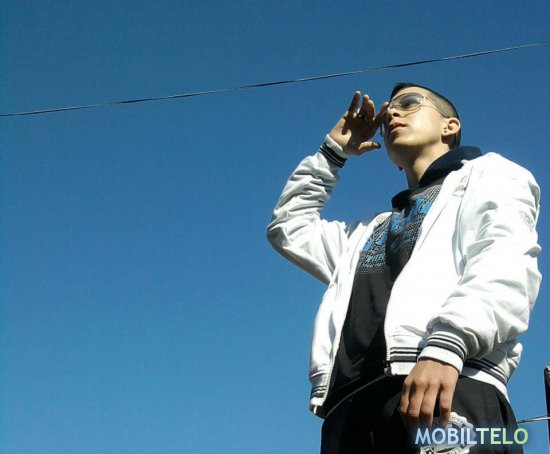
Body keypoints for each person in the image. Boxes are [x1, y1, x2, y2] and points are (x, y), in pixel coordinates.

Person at [267, 83, 541, 453]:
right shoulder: (365, 233)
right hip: (349, 414)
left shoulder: (489, 174)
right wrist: (333, 152)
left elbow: (504, 261)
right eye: (387, 115)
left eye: (409, 103)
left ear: (449, 126)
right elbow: (288, 227)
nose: (393, 114)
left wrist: (446, 347)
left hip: (447, 385)